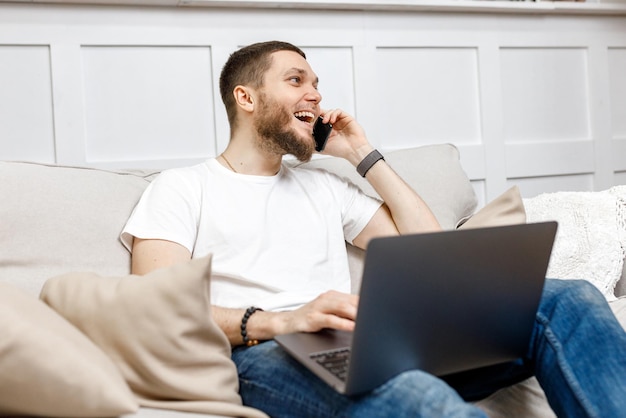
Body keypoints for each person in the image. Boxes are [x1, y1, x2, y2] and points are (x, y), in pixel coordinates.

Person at [122, 40, 626, 417]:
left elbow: (435, 254)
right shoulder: (182, 188)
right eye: (296, 80)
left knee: (569, 298)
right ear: (246, 98)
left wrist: (361, 155)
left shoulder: (323, 186)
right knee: (419, 398)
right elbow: (155, 309)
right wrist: (281, 320)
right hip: (265, 357)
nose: (316, 94)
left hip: (368, 344)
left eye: (316, 83)